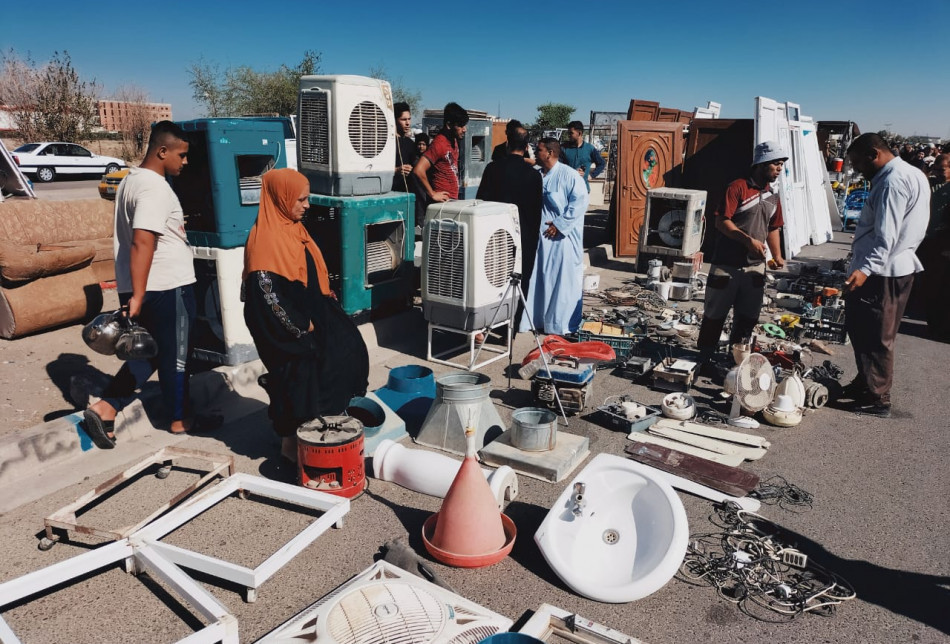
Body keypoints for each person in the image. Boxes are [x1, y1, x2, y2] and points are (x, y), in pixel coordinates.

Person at [82, 121, 211, 449]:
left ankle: (106, 407)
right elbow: (142, 241)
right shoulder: (154, 187)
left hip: (143, 285)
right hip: (166, 286)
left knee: (151, 353)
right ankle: (182, 419)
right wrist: (139, 295)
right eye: (181, 155)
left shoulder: (130, 181)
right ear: (162, 151)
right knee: (177, 356)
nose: (185, 162)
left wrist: (134, 292)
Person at [243, 168, 369, 461]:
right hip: (285, 326)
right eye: (300, 199)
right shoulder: (265, 240)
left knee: (344, 355)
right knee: (298, 381)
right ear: (281, 198)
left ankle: (317, 434)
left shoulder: (295, 229)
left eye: (307, 198)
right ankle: (292, 447)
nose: (307, 205)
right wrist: (302, 327)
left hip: (312, 313)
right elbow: (268, 298)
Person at [840, 133, 930, 417]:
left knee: (875, 334)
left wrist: (865, 270)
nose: (857, 170)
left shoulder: (892, 182)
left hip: (882, 271)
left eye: (858, 163)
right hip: (891, 267)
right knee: (865, 329)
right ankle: (865, 383)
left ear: (873, 154)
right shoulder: (911, 173)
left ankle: (877, 398)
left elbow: (886, 237)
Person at [696, 141, 787, 365]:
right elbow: (721, 221)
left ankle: (737, 362)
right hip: (726, 265)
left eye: (782, 164)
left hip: (755, 267)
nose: (779, 168)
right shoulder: (737, 187)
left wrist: (776, 255)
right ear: (761, 164)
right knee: (714, 315)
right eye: (776, 163)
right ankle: (705, 358)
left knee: (748, 318)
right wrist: (747, 241)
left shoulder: (772, 196)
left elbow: (773, 227)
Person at [519, 137, 589, 336]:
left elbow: (580, 204)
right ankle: (537, 320)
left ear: (549, 153)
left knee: (562, 282)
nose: (535, 153)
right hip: (539, 238)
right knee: (539, 278)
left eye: (539, 149)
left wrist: (559, 225)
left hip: (563, 240)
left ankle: (559, 324)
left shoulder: (570, 176)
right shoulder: (535, 174)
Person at [477, 128, 543, 321]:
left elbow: (481, 203)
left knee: (493, 278)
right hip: (524, 236)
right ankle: (512, 326)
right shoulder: (533, 175)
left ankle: (489, 321)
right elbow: (535, 213)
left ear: (507, 145)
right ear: (526, 147)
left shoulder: (492, 169)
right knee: (521, 281)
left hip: (494, 236)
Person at [916, 153, 950, 340]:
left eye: (942, 169)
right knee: (928, 283)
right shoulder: (930, 185)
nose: (938, 173)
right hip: (926, 239)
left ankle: (938, 326)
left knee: (940, 287)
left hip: (943, 243)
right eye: (935, 169)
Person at [413, 102, 468, 204]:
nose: (464, 129)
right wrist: (432, 193)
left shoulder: (454, 141)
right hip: (441, 205)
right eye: (460, 125)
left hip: (452, 201)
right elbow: (418, 170)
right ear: (449, 125)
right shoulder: (439, 144)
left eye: (464, 125)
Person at [558, 120, 605, 191]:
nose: (569, 135)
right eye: (568, 133)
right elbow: (558, 167)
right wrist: (572, 173)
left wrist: (591, 176)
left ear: (579, 133)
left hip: (583, 189)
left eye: (571, 133)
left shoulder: (589, 148)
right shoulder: (563, 148)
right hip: (566, 188)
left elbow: (601, 163)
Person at [392, 102, 417, 193]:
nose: (407, 123)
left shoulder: (410, 143)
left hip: (407, 193)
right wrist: (397, 170)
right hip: (391, 192)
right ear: (395, 120)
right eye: (403, 119)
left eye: (409, 119)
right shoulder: (388, 142)